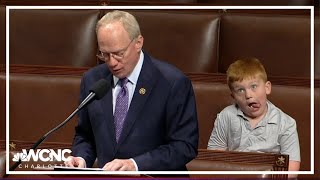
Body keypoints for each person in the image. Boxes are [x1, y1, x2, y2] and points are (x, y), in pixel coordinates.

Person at [64, 10, 198, 171]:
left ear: (138, 43)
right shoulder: (93, 80)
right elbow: (85, 135)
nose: (112, 63)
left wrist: (136, 164)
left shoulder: (172, 83)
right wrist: (81, 158)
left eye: (119, 53)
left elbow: (184, 146)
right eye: (104, 55)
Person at [207, 58, 300, 177]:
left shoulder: (286, 123)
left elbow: (292, 169)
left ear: (267, 88)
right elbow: (213, 158)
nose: (248, 95)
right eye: (240, 90)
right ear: (233, 96)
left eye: (254, 86)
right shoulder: (226, 116)